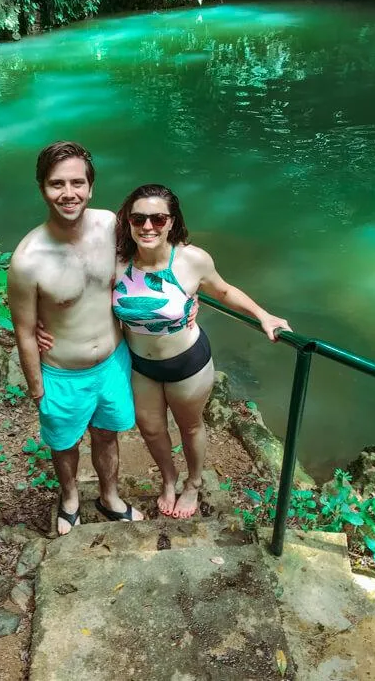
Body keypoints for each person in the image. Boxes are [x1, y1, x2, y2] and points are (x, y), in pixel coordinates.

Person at [112, 184, 292, 519]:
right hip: (139, 364)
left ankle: (193, 483)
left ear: (171, 221)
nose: (148, 226)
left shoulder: (192, 259)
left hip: (187, 363)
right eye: (138, 218)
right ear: (128, 220)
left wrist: (262, 315)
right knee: (150, 428)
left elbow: (223, 290)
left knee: (190, 426)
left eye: (158, 218)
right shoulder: (117, 261)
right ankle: (169, 479)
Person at [7, 141, 143, 535]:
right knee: (64, 444)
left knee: (107, 435)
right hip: (62, 374)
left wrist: (186, 298)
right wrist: (37, 389)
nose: (69, 193)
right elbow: (23, 329)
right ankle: (69, 498)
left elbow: (157, 258)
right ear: (42, 188)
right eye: (57, 184)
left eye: (77, 182)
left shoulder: (113, 226)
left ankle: (109, 496)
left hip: (113, 362)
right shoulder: (28, 258)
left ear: (91, 186)